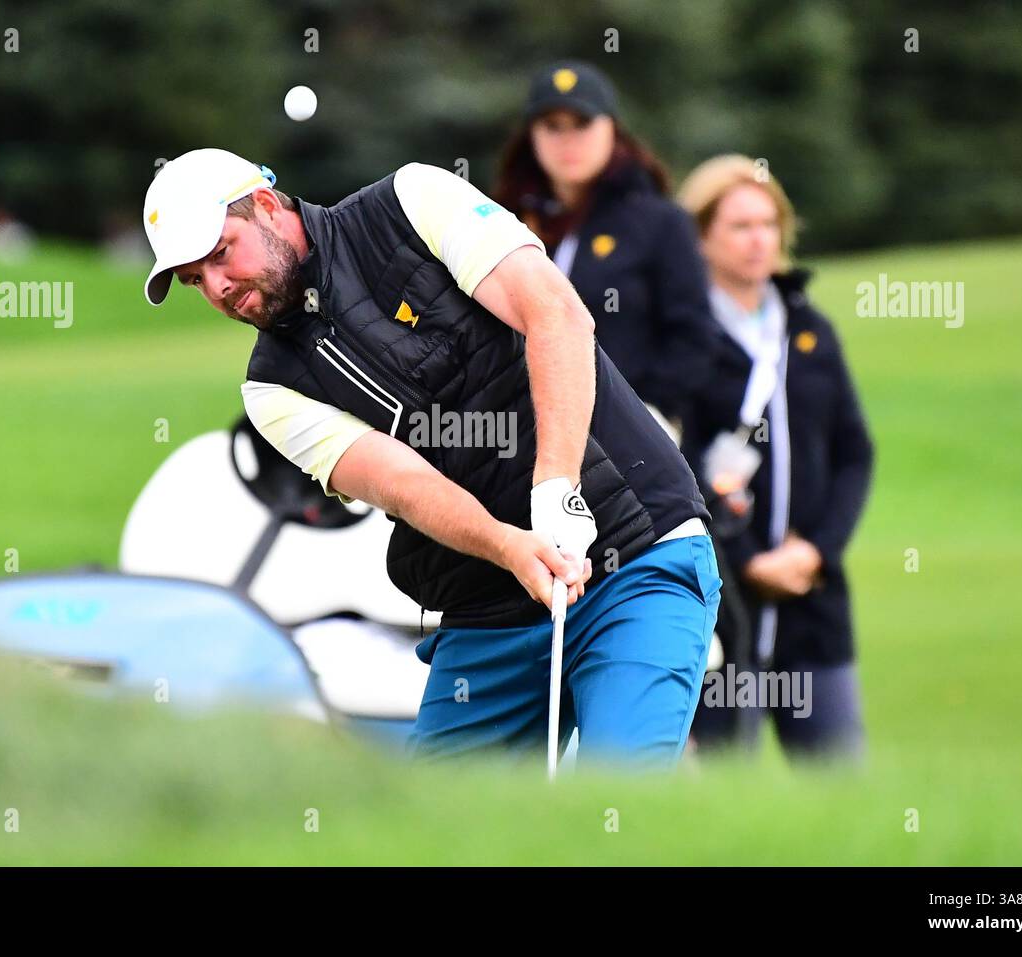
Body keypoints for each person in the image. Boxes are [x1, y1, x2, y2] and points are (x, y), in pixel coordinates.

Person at [141, 148, 721, 770]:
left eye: (221, 253)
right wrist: (507, 545)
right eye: (195, 280)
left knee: (621, 796)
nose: (219, 287)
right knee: (439, 837)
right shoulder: (271, 391)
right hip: (487, 613)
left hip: (637, 550)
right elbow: (402, 483)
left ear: (264, 206)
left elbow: (554, 313)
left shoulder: (410, 203)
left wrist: (557, 485)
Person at [674, 155, 874, 759]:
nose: (759, 239)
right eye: (739, 225)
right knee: (719, 796)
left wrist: (815, 550)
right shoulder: (683, 339)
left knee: (841, 786)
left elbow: (854, 453)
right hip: (718, 602)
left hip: (812, 601)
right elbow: (670, 466)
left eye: (769, 223)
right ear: (701, 235)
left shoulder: (809, 330)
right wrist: (747, 559)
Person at [492, 60, 717, 422]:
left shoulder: (659, 222)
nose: (568, 140)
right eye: (552, 126)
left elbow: (694, 335)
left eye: (582, 124)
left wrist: (653, 413)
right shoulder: (505, 222)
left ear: (611, 129)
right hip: (521, 430)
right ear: (531, 136)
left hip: (625, 430)